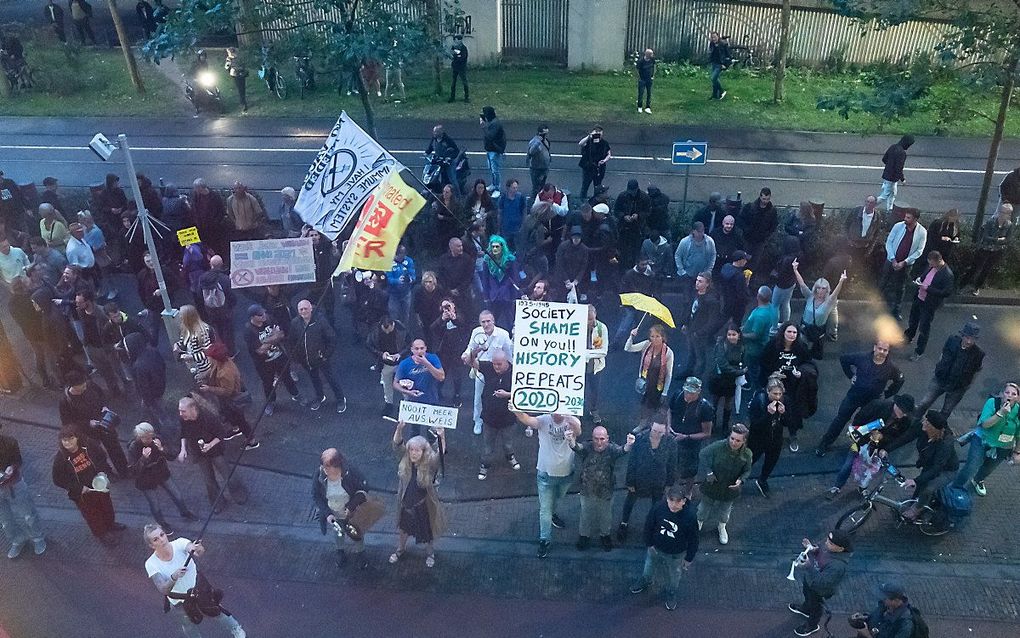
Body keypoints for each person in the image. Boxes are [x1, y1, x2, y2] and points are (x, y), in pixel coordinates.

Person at [144, 525, 248, 638]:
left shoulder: (179, 543)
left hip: (200, 589)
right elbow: (163, 589)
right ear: (151, 545)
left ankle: (235, 628)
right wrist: (174, 577)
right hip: (179, 600)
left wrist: (197, 548)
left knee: (215, 610)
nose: (162, 539)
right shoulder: (151, 564)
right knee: (188, 624)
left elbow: (194, 550)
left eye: (162, 535)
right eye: (156, 539)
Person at [513, 410, 582, 559]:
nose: (557, 415)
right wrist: (516, 409)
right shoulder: (544, 420)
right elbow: (527, 419)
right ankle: (545, 539)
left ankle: (553, 514)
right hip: (545, 474)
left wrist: (569, 418)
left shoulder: (572, 420)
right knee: (545, 510)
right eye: (554, 412)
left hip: (566, 474)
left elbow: (578, 430)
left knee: (557, 499)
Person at [815, 340, 903, 455]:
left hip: (872, 402)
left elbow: (900, 380)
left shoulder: (891, 368)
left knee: (864, 426)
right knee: (840, 419)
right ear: (874, 347)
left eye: (885, 350)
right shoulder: (862, 357)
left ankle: (857, 447)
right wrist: (851, 375)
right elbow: (844, 359)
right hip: (854, 396)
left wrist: (887, 394)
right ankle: (824, 444)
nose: (881, 352)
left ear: (888, 351)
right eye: (880, 348)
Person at [825, 394, 916, 499]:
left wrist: (884, 444)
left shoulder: (906, 421)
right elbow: (859, 419)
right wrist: (867, 432)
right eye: (902, 411)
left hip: (878, 447)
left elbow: (897, 437)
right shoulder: (878, 405)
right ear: (896, 405)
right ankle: (837, 486)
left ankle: (862, 488)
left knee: (870, 470)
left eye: (905, 412)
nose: (903, 415)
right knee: (848, 464)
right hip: (860, 441)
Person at [629, 484, 698, 611]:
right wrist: (649, 544)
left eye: (677, 501)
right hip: (656, 548)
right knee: (648, 568)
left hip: (676, 554)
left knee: (674, 575)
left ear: (683, 501)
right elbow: (649, 525)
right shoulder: (658, 508)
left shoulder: (690, 516)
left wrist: (689, 558)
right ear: (667, 498)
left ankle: (671, 592)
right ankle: (646, 580)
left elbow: (694, 538)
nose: (673, 504)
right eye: (671, 500)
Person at [51, 427, 124, 545]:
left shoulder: (88, 445)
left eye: (71, 439)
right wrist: (79, 488)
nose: (68, 443)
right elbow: (58, 480)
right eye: (64, 440)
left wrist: (102, 471)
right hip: (83, 494)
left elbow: (102, 456)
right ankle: (102, 534)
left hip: (99, 484)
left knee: (107, 507)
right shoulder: (61, 458)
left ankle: (110, 525)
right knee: (92, 515)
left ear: (77, 438)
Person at [176, 396, 249, 512]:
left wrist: (210, 445)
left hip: (215, 451)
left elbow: (221, 434)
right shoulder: (184, 420)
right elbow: (183, 433)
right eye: (180, 410)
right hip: (199, 453)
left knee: (227, 474)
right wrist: (183, 449)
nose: (180, 414)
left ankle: (239, 493)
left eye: (183, 411)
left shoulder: (209, 417)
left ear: (192, 408)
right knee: (208, 479)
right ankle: (217, 502)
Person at [568, 427, 634, 551]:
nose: (599, 442)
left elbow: (622, 451)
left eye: (602, 439)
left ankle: (605, 535)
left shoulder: (611, 449)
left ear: (607, 439)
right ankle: (584, 536)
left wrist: (629, 445)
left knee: (606, 516)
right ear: (592, 438)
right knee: (585, 515)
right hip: (587, 489)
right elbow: (576, 447)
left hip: (606, 490)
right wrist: (570, 440)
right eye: (596, 439)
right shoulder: (587, 447)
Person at [390, 421, 446, 568]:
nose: (413, 453)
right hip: (406, 504)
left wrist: (442, 436)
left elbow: (440, 454)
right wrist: (399, 429)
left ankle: (430, 554)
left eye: (417, 450)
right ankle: (400, 549)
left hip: (423, 506)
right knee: (403, 530)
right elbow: (397, 445)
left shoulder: (430, 463)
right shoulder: (405, 459)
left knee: (427, 534)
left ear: (423, 451)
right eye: (411, 450)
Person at [127, 423, 196, 536]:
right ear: (140, 437)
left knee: (177, 494)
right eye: (147, 437)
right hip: (146, 480)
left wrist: (161, 448)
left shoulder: (157, 440)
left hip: (161, 473)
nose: (150, 439)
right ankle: (162, 523)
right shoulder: (134, 447)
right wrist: (143, 459)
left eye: (151, 436)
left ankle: (185, 512)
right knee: (155, 504)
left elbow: (172, 455)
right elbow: (133, 470)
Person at [58, 369, 130, 477]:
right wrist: (87, 423)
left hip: (103, 424)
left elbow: (101, 395)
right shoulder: (65, 402)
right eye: (81, 388)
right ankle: (108, 473)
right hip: (88, 432)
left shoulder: (90, 385)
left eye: (84, 385)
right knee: (97, 454)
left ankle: (124, 470)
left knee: (115, 448)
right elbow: (68, 423)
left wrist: (104, 406)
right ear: (72, 386)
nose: (84, 388)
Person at [952, 382, 1019, 497]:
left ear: (1017, 398)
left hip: (1002, 447)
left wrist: (1017, 452)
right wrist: (1000, 413)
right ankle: (956, 486)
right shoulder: (992, 403)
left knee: (988, 468)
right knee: (971, 466)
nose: (1009, 396)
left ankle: (978, 480)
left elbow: (1018, 434)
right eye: (1007, 392)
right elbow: (985, 425)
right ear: (1002, 394)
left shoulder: (1018, 411)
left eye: (1014, 394)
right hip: (982, 440)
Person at [617, 416, 676, 541]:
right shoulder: (640, 439)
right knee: (630, 500)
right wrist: (630, 481)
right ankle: (624, 523)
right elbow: (632, 461)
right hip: (640, 478)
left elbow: (672, 463)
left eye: (660, 432)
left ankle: (653, 526)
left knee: (657, 504)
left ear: (666, 430)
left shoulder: (670, 442)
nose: (657, 434)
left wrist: (669, 483)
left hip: (659, 479)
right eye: (655, 431)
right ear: (650, 426)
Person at [467, 349, 519, 480]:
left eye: (499, 364)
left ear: (506, 361)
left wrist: (507, 395)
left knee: (508, 443)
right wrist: (477, 350)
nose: (496, 367)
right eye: (494, 363)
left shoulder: (516, 372)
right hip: (489, 417)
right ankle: (485, 465)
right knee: (487, 445)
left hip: (508, 417)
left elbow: (524, 393)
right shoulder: (489, 367)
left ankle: (510, 457)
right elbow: (470, 362)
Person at [789, 530, 854, 637]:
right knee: (807, 595)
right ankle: (806, 609)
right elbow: (820, 552)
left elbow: (823, 582)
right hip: (811, 581)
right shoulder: (830, 549)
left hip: (819, 590)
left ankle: (812, 625)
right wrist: (812, 548)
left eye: (831, 543)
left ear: (841, 549)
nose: (826, 543)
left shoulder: (837, 566)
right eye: (828, 540)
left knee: (816, 607)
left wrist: (809, 567)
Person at [312, 448, 369, 568]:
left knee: (356, 533)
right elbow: (316, 495)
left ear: (338, 465)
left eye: (328, 467)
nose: (324, 470)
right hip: (333, 514)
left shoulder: (351, 473)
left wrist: (351, 506)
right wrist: (327, 514)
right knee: (338, 532)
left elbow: (363, 489)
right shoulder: (320, 475)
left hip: (351, 513)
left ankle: (361, 553)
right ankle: (340, 551)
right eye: (323, 466)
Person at [197, 342, 260, 451]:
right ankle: (236, 429)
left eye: (210, 357)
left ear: (216, 358)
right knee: (228, 414)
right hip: (226, 401)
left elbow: (227, 391)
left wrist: (209, 388)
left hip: (233, 400)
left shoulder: (226, 372)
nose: (208, 358)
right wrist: (204, 375)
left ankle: (252, 441)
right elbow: (213, 369)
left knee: (241, 420)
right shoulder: (221, 362)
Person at [696, 424, 752, 545]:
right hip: (713, 484)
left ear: (744, 441)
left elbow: (747, 470)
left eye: (738, 440)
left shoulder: (747, 454)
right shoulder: (718, 446)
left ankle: (721, 527)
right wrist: (709, 472)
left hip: (730, 488)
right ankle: (699, 523)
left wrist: (741, 480)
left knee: (725, 511)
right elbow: (703, 454)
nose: (734, 442)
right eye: (732, 438)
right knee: (704, 507)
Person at [914, 321, 984, 419]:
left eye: (972, 339)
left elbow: (977, 370)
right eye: (967, 337)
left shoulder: (978, 354)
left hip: (958, 386)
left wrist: (967, 384)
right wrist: (939, 368)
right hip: (941, 379)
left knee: (946, 410)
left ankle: (937, 428)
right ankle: (914, 420)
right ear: (963, 335)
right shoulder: (952, 341)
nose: (969, 341)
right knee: (925, 402)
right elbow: (943, 354)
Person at [244, 304, 304, 416]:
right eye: (260, 314)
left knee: (287, 377)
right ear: (253, 317)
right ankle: (270, 402)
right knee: (267, 383)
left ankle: (296, 395)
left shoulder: (269, 318)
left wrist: (266, 340)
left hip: (279, 356)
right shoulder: (249, 331)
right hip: (264, 363)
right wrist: (273, 337)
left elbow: (281, 334)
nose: (263, 316)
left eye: (263, 312)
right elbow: (260, 350)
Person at [289, 299, 346, 414]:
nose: (304, 311)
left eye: (306, 308)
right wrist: (296, 357)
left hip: (321, 358)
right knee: (314, 379)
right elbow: (291, 341)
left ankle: (340, 399)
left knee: (331, 379)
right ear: (298, 311)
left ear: (311, 308)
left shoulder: (321, 321)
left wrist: (326, 355)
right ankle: (320, 397)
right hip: (306, 359)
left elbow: (332, 339)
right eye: (301, 309)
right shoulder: (295, 323)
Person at [901, 410, 958, 519]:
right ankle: (915, 500)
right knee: (921, 484)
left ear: (933, 428)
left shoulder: (946, 444)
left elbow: (937, 468)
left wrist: (915, 480)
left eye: (927, 423)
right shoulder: (924, 429)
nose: (923, 423)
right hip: (930, 464)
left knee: (928, 488)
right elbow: (907, 437)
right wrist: (887, 449)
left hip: (947, 470)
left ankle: (917, 509)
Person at [0, 425, 46, 558]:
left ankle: (38, 538)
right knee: (5, 521)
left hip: (14, 484)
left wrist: (12, 467)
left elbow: (18, 460)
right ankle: (17, 539)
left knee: (28, 515)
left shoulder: (10, 442)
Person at [904, 250, 954, 360]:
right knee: (913, 319)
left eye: (932, 264)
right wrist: (920, 280)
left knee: (924, 328)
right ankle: (909, 336)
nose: (930, 265)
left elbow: (946, 292)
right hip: (919, 298)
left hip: (929, 304)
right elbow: (925, 276)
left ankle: (919, 351)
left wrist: (928, 289)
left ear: (939, 261)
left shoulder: (947, 274)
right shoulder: (932, 267)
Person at [793, 260, 846, 359]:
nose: (821, 291)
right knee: (800, 349)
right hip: (805, 328)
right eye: (819, 288)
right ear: (815, 288)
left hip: (818, 331)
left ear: (827, 290)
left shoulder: (828, 302)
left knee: (816, 353)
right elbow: (802, 284)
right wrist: (795, 270)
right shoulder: (809, 296)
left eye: (823, 288)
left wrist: (841, 281)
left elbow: (835, 294)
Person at [879, 209, 927, 320]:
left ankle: (896, 310)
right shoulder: (898, 226)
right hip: (891, 260)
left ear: (915, 219)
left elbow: (919, 250)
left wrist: (905, 262)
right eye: (905, 217)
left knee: (900, 287)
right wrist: (893, 259)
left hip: (906, 265)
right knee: (883, 281)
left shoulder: (922, 232)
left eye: (908, 218)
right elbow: (889, 242)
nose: (905, 219)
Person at [625, 324, 675, 427]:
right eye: (652, 336)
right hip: (646, 383)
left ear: (663, 337)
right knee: (644, 405)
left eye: (657, 336)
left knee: (657, 406)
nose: (655, 339)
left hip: (658, 385)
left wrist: (665, 392)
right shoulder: (646, 345)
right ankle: (642, 424)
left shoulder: (669, 353)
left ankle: (654, 426)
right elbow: (628, 348)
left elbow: (669, 374)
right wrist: (631, 336)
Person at [959, 203, 1013, 296]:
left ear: (1009, 215)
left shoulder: (1009, 225)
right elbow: (986, 236)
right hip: (984, 248)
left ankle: (976, 287)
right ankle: (961, 285)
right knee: (975, 267)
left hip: (997, 251)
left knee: (986, 270)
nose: (1002, 214)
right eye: (1001, 212)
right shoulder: (991, 222)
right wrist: (998, 239)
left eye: (1005, 213)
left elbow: (1008, 239)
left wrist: (999, 241)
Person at [706, 324, 746, 435]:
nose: (731, 337)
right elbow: (723, 365)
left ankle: (725, 425)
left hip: (731, 380)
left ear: (739, 335)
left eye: (734, 334)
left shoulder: (742, 347)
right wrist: (739, 372)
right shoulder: (721, 345)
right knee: (715, 402)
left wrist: (740, 370)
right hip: (718, 379)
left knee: (728, 402)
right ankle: (712, 425)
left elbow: (743, 361)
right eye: (729, 334)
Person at [479, 236, 519, 331]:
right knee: (492, 319)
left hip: (507, 294)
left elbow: (515, 278)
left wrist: (514, 296)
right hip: (493, 295)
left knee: (509, 320)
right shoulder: (487, 260)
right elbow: (485, 280)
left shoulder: (510, 260)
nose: (495, 249)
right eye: (493, 247)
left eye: (497, 246)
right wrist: (486, 296)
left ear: (502, 247)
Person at [740, 286, 777, 390]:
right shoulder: (770, 308)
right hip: (764, 343)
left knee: (752, 367)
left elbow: (756, 335)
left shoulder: (760, 316)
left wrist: (742, 335)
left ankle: (754, 386)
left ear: (758, 297)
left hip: (754, 348)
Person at [198, 255, 236, 354]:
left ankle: (221, 347)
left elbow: (199, 293)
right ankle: (230, 351)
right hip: (224, 310)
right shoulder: (224, 279)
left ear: (210, 264)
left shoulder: (203, 277)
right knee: (228, 330)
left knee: (217, 329)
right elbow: (231, 296)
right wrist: (231, 306)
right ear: (222, 265)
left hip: (210, 310)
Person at [850, 582, 916, 638]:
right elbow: (872, 620)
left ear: (896, 600)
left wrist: (868, 636)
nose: (882, 598)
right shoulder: (884, 607)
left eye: (885, 598)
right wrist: (859, 619)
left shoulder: (905, 622)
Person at [844, 195, 882, 283]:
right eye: (867, 202)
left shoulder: (877, 217)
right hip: (851, 244)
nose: (868, 204)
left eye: (871, 202)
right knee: (847, 263)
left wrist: (870, 249)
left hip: (863, 247)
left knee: (857, 264)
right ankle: (845, 279)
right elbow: (846, 224)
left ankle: (851, 280)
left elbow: (876, 233)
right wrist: (848, 239)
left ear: (875, 204)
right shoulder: (856, 211)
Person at [674, 223, 717, 296]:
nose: (701, 233)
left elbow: (713, 255)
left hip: (703, 275)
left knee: (702, 297)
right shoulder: (685, 242)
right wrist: (682, 271)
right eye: (699, 231)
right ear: (693, 231)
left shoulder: (709, 241)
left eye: (702, 231)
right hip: (688, 275)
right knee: (687, 297)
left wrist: (709, 270)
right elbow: (678, 256)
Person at [173, 305, 214, 380]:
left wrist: (191, 357)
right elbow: (184, 342)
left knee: (204, 383)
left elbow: (208, 352)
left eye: (181, 316)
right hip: (194, 365)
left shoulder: (202, 332)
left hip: (204, 367)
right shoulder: (185, 328)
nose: (180, 318)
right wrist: (177, 345)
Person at [877, 135, 915, 213]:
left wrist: (890, 165)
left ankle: (889, 209)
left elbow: (884, 159)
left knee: (892, 194)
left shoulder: (893, 147)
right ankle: (870, 205)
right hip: (892, 178)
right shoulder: (902, 153)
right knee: (885, 195)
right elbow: (899, 168)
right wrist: (902, 179)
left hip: (887, 175)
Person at [584, 306, 609, 424]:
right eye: (588, 319)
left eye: (592, 319)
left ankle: (594, 410)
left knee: (595, 390)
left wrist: (587, 354)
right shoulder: (576, 326)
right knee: (578, 388)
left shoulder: (601, 328)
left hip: (596, 366)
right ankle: (576, 412)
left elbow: (604, 351)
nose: (591, 322)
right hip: (579, 365)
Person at [577, 126, 612, 200]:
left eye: (600, 133)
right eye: (596, 132)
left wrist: (604, 160)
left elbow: (609, 154)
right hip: (588, 168)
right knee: (585, 185)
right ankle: (582, 200)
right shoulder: (589, 141)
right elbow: (580, 143)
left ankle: (596, 200)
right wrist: (589, 136)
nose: (598, 135)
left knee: (597, 186)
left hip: (599, 168)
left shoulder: (604, 143)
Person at [718, 250, 751, 327]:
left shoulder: (725, 267)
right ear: (741, 260)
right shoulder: (739, 276)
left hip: (726, 299)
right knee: (736, 324)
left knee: (722, 320)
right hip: (737, 305)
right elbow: (742, 293)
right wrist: (746, 283)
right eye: (745, 259)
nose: (746, 261)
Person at [386, 244, 416, 326]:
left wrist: (409, 279)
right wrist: (397, 281)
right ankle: (393, 330)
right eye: (399, 255)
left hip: (406, 293)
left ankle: (405, 332)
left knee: (406, 315)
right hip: (393, 294)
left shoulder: (409, 261)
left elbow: (413, 275)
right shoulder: (389, 262)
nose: (401, 257)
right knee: (393, 313)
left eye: (403, 254)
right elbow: (388, 278)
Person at [479, 106, 506, 189]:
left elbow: (490, 137)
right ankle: (494, 184)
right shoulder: (493, 122)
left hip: (494, 150)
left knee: (495, 170)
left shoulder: (495, 124)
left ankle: (497, 187)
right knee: (491, 169)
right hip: (491, 149)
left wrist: (483, 127)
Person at [527, 124, 552, 197]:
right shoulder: (534, 141)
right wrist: (538, 142)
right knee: (536, 188)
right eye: (544, 134)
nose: (546, 135)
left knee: (542, 187)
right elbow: (531, 152)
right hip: (536, 169)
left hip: (544, 168)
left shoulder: (547, 141)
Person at [224, 47, 248, 113]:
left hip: (239, 74)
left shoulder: (232, 58)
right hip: (237, 74)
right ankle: (243, 103)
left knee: (242, 89)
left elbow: (227, 67)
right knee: (241, 89)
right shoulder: (231, 58)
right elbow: (227, 67)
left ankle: (243, 102)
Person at [708, 32, 730, 99]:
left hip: (720, 64)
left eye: (715, 37)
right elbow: (711, 53)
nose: (713, 38)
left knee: (713, 78)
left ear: (718, 37)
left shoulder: (723, 44)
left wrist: (725, 64)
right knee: (715, 79)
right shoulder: (712, 44)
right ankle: (714, 95)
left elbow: (728, 55)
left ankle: (722, 91)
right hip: (714, 63)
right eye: (712, 37)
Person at [448, 34, 468, 103]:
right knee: (453, 83)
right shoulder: (454, 47)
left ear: (460, 40)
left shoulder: (463, 48)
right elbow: (451, 54)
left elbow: (462, 57)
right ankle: (452, 97)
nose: (455, 41)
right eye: (455, 40)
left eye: (456, 40)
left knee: (464, 82)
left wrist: (456, 56)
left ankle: (466, 97)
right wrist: (456, 55)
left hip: (462, 68)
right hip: (455, 67)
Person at [635, 48, 656, 113]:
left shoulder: (652, 59)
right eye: (651, 54)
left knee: (649, 93)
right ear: (647, 54)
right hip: (642, 79)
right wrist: (639, 77)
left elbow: (654, 67)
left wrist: (653, 75)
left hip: (649, 79)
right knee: (641, 93)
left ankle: (648, 107)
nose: (652, 55)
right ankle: (639, 106)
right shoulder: (641, 61)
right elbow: (636, 70)